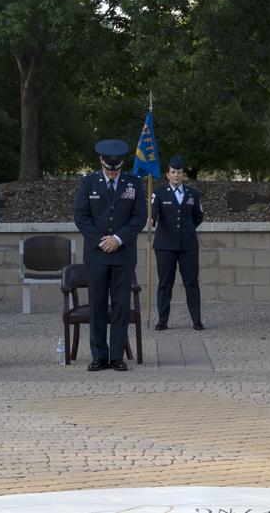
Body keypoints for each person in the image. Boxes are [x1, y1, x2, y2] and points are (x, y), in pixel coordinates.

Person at [73, 139, 147, 371]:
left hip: (123, 254)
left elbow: (139, 216)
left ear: (121, 165)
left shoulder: (134, 183)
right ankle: (98, 356)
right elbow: (81, 216)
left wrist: (118, 239)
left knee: (121, 305)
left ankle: (116, 356)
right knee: (96, 305)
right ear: (101, 162)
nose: (112, 173)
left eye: (115, 169)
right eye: (108, 168)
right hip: (96, 254)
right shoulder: (88, 182)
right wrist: (101, 240)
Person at [147, 155, 205, 330]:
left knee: (191, 282)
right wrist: (150, 221)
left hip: (188, 245)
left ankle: (196, 319)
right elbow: (153, 215)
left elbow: (198, 217)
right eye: (173, 172)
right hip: (165, 245)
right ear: (168, 174)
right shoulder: (158, 192)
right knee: (165, 283)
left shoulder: (193, 194)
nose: (176, 175)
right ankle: (163, 320)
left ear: (183, 175)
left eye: (179, 172)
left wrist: (185, 230)